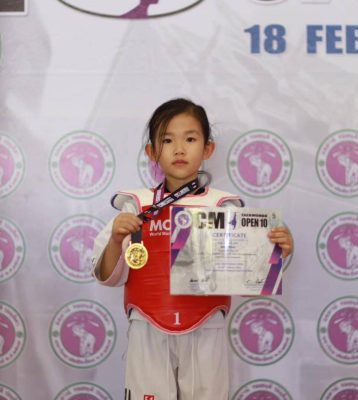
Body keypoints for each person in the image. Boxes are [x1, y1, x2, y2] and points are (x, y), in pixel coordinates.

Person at [91, 98, 293, 400]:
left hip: (206, 325)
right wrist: (115, 240)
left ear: (208, 149)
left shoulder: (223, 207)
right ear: (151, 152)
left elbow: (247, 278)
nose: (179, 149)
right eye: (167, 140)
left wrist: (278, 251)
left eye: (190, 139)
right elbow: (108, 276)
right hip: (147, 326)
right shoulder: (136, 206)